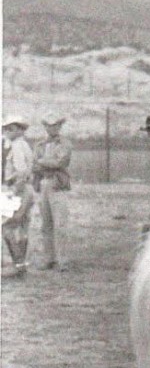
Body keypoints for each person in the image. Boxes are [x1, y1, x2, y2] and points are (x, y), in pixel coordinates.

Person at [32, 113, 73, 271]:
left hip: (58, 184)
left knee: (60, 223)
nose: (52, 128)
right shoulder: (40, 144)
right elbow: (34, 164)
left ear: (60, 126)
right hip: (43, 183)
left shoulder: (65, 143)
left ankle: (62, 260)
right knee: (45, 223)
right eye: (49, 125)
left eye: (55, 125)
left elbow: (61, 162)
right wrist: (46, 164)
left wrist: (42, 162)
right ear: (45, 127)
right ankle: (49, 258)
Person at [2, 116, 35, 277]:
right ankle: (21, 265)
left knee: (6, 227)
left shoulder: (17, 146)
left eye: (12, 128)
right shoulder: (21, 144)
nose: (8, 131)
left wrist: (14, 192)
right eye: (6, 128)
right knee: (22, 227)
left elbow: (21, 172)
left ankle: (18, 264)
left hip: (20, 189)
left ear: (21, 130)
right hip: (26, 189)